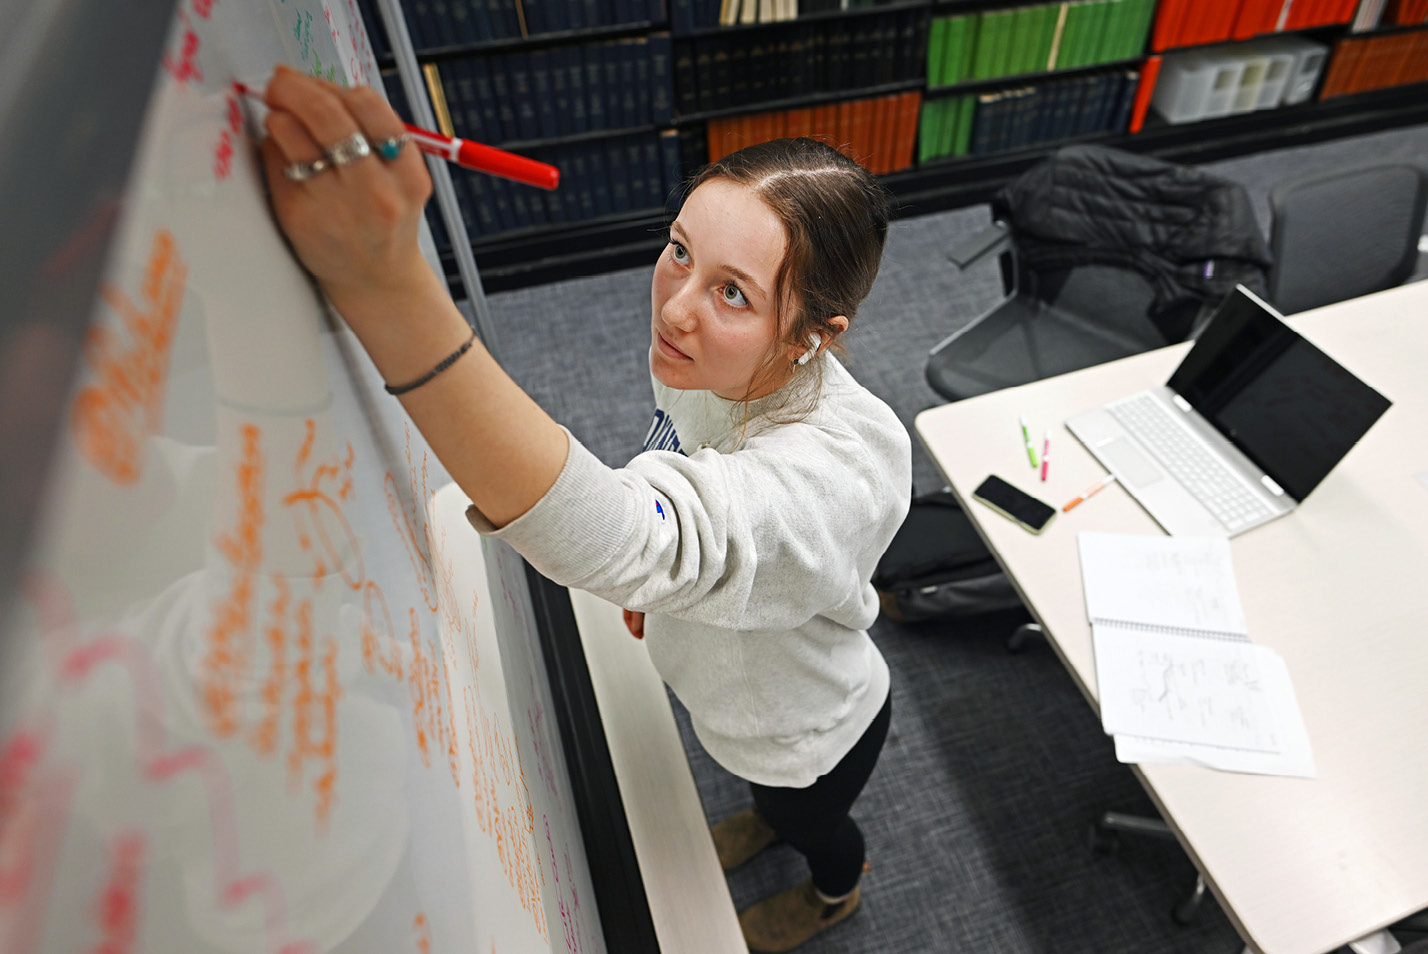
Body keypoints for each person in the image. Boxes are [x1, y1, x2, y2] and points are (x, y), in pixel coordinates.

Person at [257, 65, 911, 952]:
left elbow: (648, 533)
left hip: (805, 729)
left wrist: (386, 285)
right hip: (721, 687)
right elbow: (674, 476)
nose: (675, 308)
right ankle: (766, 817)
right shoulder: (706, 358)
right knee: (756, 792)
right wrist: (670, 563)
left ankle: (838, 891)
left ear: (810, 336)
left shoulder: (842, 469)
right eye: (680, 249)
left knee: (808, 819)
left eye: (733, 293)